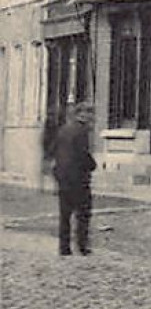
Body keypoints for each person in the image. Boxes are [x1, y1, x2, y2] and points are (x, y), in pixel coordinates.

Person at [52, 101, 96, 256]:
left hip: (63, 178)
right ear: (82, 114)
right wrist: (92, 165)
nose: (92, 117)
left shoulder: (63, 130)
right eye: (90, 113)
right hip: (78, 179)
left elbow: (55, 151)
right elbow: (82, 155)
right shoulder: (82, 131)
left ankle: (64, 247)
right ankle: (82, 246)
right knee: (83, 214)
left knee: (65, 214)